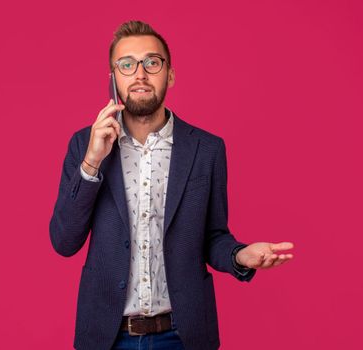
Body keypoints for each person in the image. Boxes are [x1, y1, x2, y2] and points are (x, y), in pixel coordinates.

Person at [49, 20, 294, 350]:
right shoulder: (84, 145)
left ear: (170, 74)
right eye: (127, 64)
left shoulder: (207, 149)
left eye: (152, 62)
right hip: (106, 336)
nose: (140, 74)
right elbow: (64, 241)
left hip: (184, 333)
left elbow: (212, 237)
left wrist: (240, 255)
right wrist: (92, 162)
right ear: (113, 79)